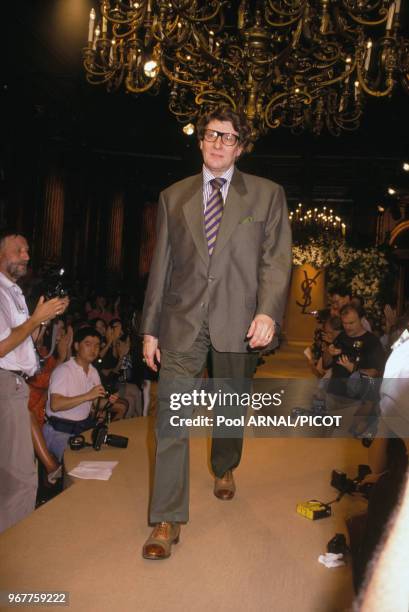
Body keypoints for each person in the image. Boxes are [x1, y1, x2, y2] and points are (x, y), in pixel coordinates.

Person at [140, 105, 292, 559]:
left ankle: (225, 466)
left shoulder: (267, 195)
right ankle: (167, 518)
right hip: (181, 321)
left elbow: (276, 259)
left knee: (229, 406)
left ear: (241, 146)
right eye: (211, 135)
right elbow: (160, 268)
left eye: (228, 137)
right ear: (200, 140)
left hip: (239, 322)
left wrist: (268, 312)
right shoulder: (173, 196)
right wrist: (150, 330)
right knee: (171, 420)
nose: (218, 144)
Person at [0, 230, 68, 533]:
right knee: (21, 477)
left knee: (13, 475)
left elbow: (23, 344)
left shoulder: (12, 292)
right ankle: (16, 550)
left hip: (15, 383)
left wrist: (43, 321)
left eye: (27, 250)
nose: (26, 256)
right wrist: (34, 319)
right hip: (5, 383)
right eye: (18, 250)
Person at [43, 327, 125, 462]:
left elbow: (95, 403)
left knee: (109, 455)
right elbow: (55, 405)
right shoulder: (64, 370)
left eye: (97, 345)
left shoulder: (93, 372)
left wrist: (109, 401)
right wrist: (87, 395)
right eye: (88, 344)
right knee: (80, 461)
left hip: (82, 428)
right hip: (58, 431)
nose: (93, 349)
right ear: (76, 346)